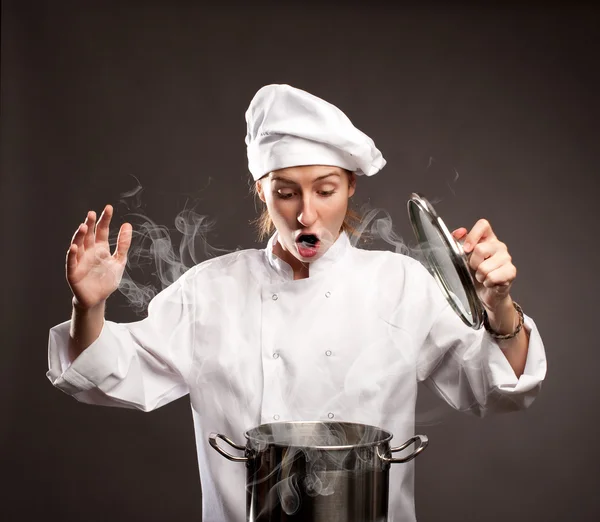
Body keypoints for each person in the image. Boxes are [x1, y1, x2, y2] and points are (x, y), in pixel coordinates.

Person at [47, 84, 547, 522]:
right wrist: (88, 307)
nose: (307, 214)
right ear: (260, 190)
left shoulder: (402, 284)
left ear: (351, 186)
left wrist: (498, 304)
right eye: (285, 192)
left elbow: (497, 390)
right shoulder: (210, 290)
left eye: (325, 190)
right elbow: (109, 374)